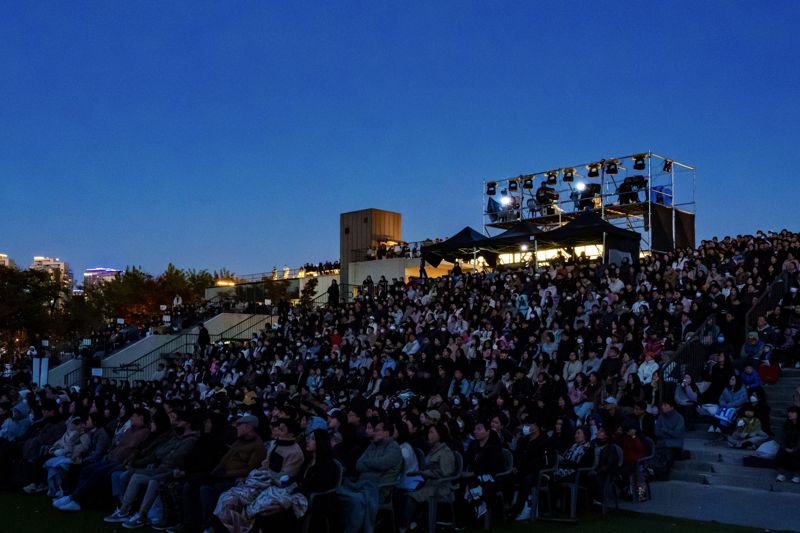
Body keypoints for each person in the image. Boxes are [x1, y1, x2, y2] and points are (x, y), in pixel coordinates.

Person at [337, 417, 402, 533]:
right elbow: (358, 465)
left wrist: (368, 463)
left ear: (386, 432)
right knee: (340, 493)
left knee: (355, 501)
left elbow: (381, 464)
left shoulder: (394, 448)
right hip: (362, 484)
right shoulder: (372, 445)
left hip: (379, 489)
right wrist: (372, 465)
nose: (374, 433)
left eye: (377, 430)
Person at [400, 424, 457, 531]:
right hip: (428, 483)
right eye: (429, 432)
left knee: (411, 497)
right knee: (401, 491)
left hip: (439, 487)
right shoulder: (433, 449)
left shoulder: (445, 452)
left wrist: (427, 473)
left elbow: (446, 473)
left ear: (440, 435)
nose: (429, 434)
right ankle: (412, 523)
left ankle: (404, 527)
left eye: (432, 432)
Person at [776, 406, 800, 483]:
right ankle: (781, 473)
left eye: (792, 412)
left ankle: (797, 474)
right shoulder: (786, 425)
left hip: (797, 447)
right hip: (787, 446)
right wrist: (785, 448)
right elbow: (781, 438)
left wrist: (795, 449)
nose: (790, 414)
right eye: (789, 412)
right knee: (781, 452)